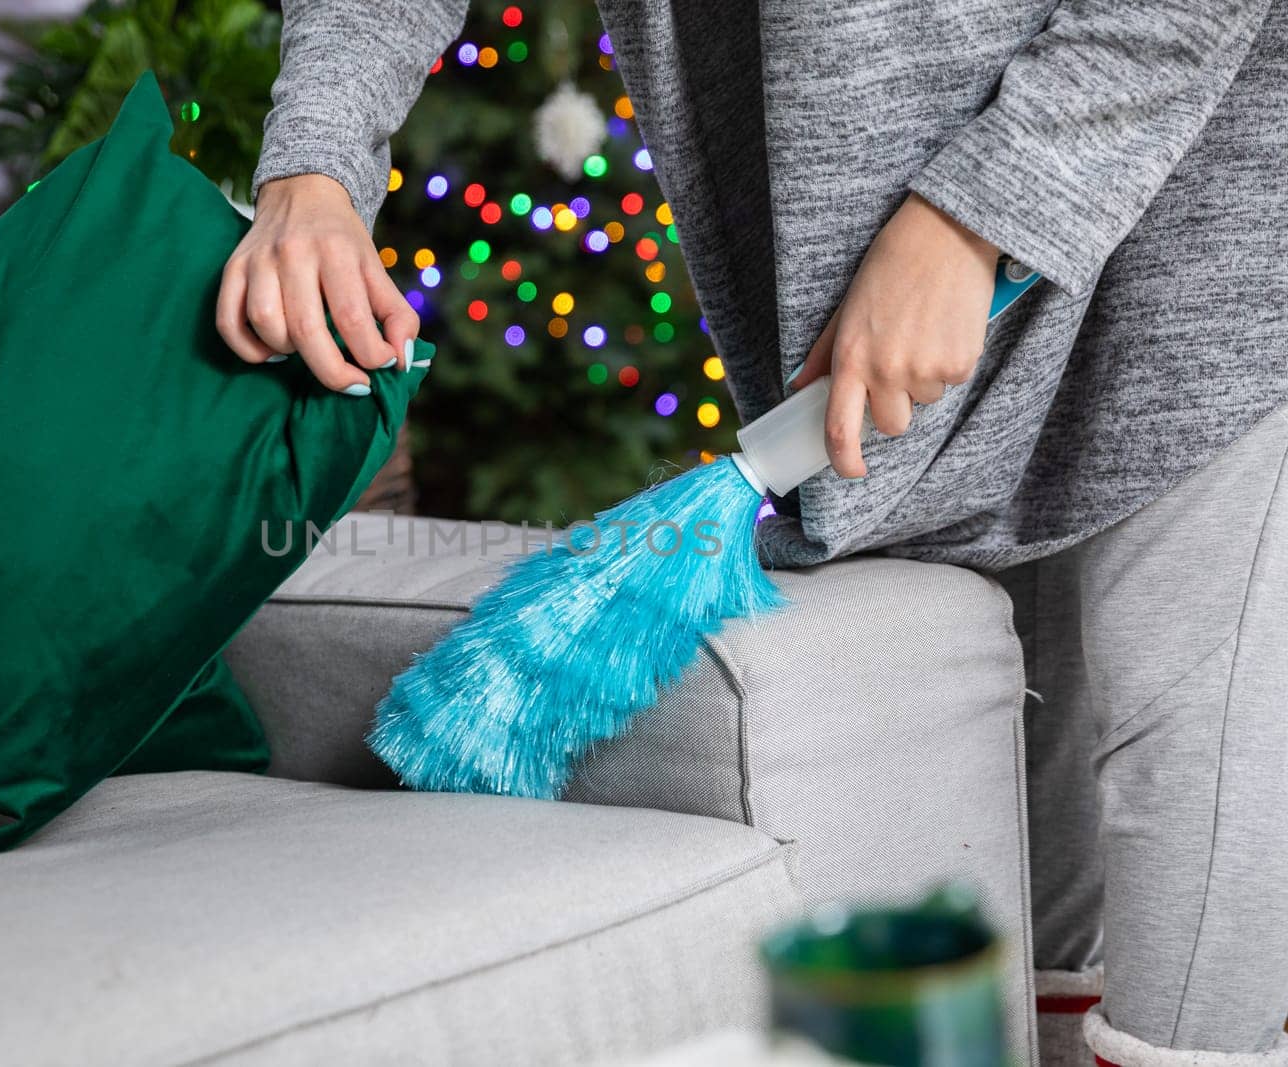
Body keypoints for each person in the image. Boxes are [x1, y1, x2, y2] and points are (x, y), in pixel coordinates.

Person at [220, 1, 1288, 1063]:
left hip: (1212, 222)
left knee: (1186, 788)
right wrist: (312, 166)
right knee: (1043, 874)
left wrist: (971, 217)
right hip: (905, 309)